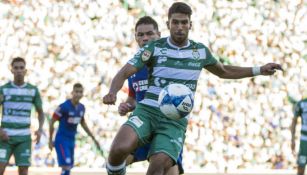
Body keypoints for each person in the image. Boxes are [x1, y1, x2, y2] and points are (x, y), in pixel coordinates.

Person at [103, 2, 283, 175]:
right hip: (147, 111)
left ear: (190, 24)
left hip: (174, 120)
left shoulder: (200, 52)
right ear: (168, 24)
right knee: (118, 148)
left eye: (184, 22)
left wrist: (259, 69)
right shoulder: (154, 47)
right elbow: (125, 71)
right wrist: (112, 92)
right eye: (175, 22)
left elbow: (224, 71)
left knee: (157, 166)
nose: (180, 27)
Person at [117, 16, 184, 175]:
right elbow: (133, 98)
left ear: (159, 35)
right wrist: (126, 106)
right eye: (140, 35)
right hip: (143, 125)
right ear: (136, 38)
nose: (145, 38)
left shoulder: (172, 62)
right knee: (117, 158)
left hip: (166, 127)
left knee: (168, 170)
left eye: (149, 34)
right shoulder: (133, 68)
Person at [0, 57, 45, 175]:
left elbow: (40, 112)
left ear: (25, 70)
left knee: (23, 171)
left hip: (24, 137)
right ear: (11, 70)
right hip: (5, 137)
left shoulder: (32, 90)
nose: (19, 70)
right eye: (16, 68)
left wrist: (40, 130)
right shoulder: (3, 89)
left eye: (21, 68)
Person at [49, 83, 102, 175]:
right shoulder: (63, 107)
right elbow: (52, 121)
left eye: (80, 92)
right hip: (61, 140)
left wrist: (94, 138)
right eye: (76, 92)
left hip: (71, 140)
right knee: (66, 165)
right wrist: (50, 140)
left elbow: (83, 124)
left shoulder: (82, 108)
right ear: (72, 92)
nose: (78, 94)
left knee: (69, 167)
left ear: (82, 94)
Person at [291, 97, 307, 175]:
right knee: (301, 167)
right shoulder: (302, 103)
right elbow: (294, 121)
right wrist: (292, 139)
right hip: (305, 140)